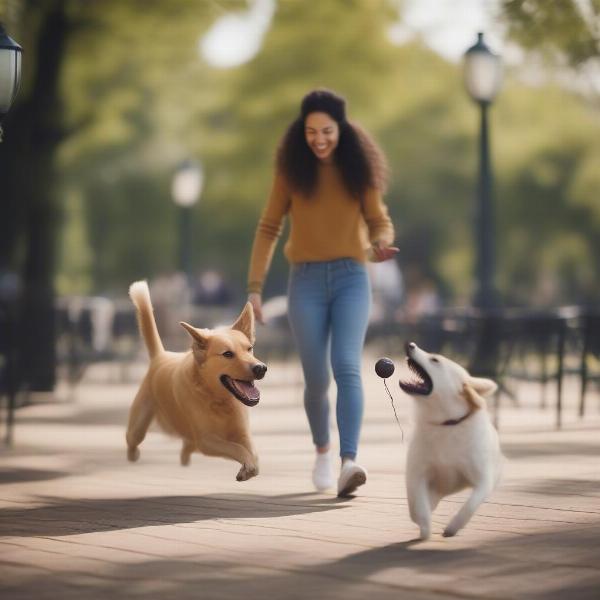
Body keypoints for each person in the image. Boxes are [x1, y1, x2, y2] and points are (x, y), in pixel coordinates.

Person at [247, 89, 398, 497]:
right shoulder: (291, 172)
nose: (319, 139)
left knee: (347, 366)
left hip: (352, 277)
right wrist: (255, 289)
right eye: (311, 131)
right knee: (316, 378)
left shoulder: (358, 170)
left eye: (327, 131)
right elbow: (268, 228)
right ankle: (322, 452)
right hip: (306, 282)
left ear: (341, 129)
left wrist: (380, 242)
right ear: (303, 131)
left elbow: (378, 219)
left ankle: (349, 461)